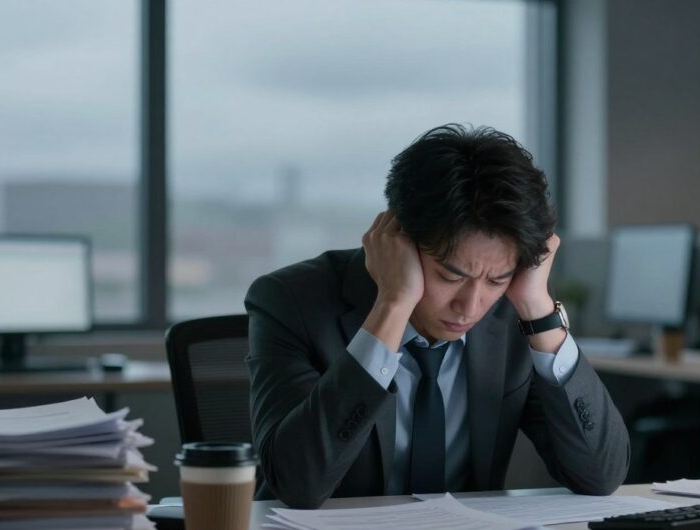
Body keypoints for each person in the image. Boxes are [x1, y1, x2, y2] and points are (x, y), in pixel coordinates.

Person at [246, 124, 629, 508]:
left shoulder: (514, 315)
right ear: (399, 243)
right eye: (450, 275)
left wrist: (539, 313)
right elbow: (297, 484)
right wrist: (392, 305)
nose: (471, 306)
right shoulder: (290, 301)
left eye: (497, 279)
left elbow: (600, 475)